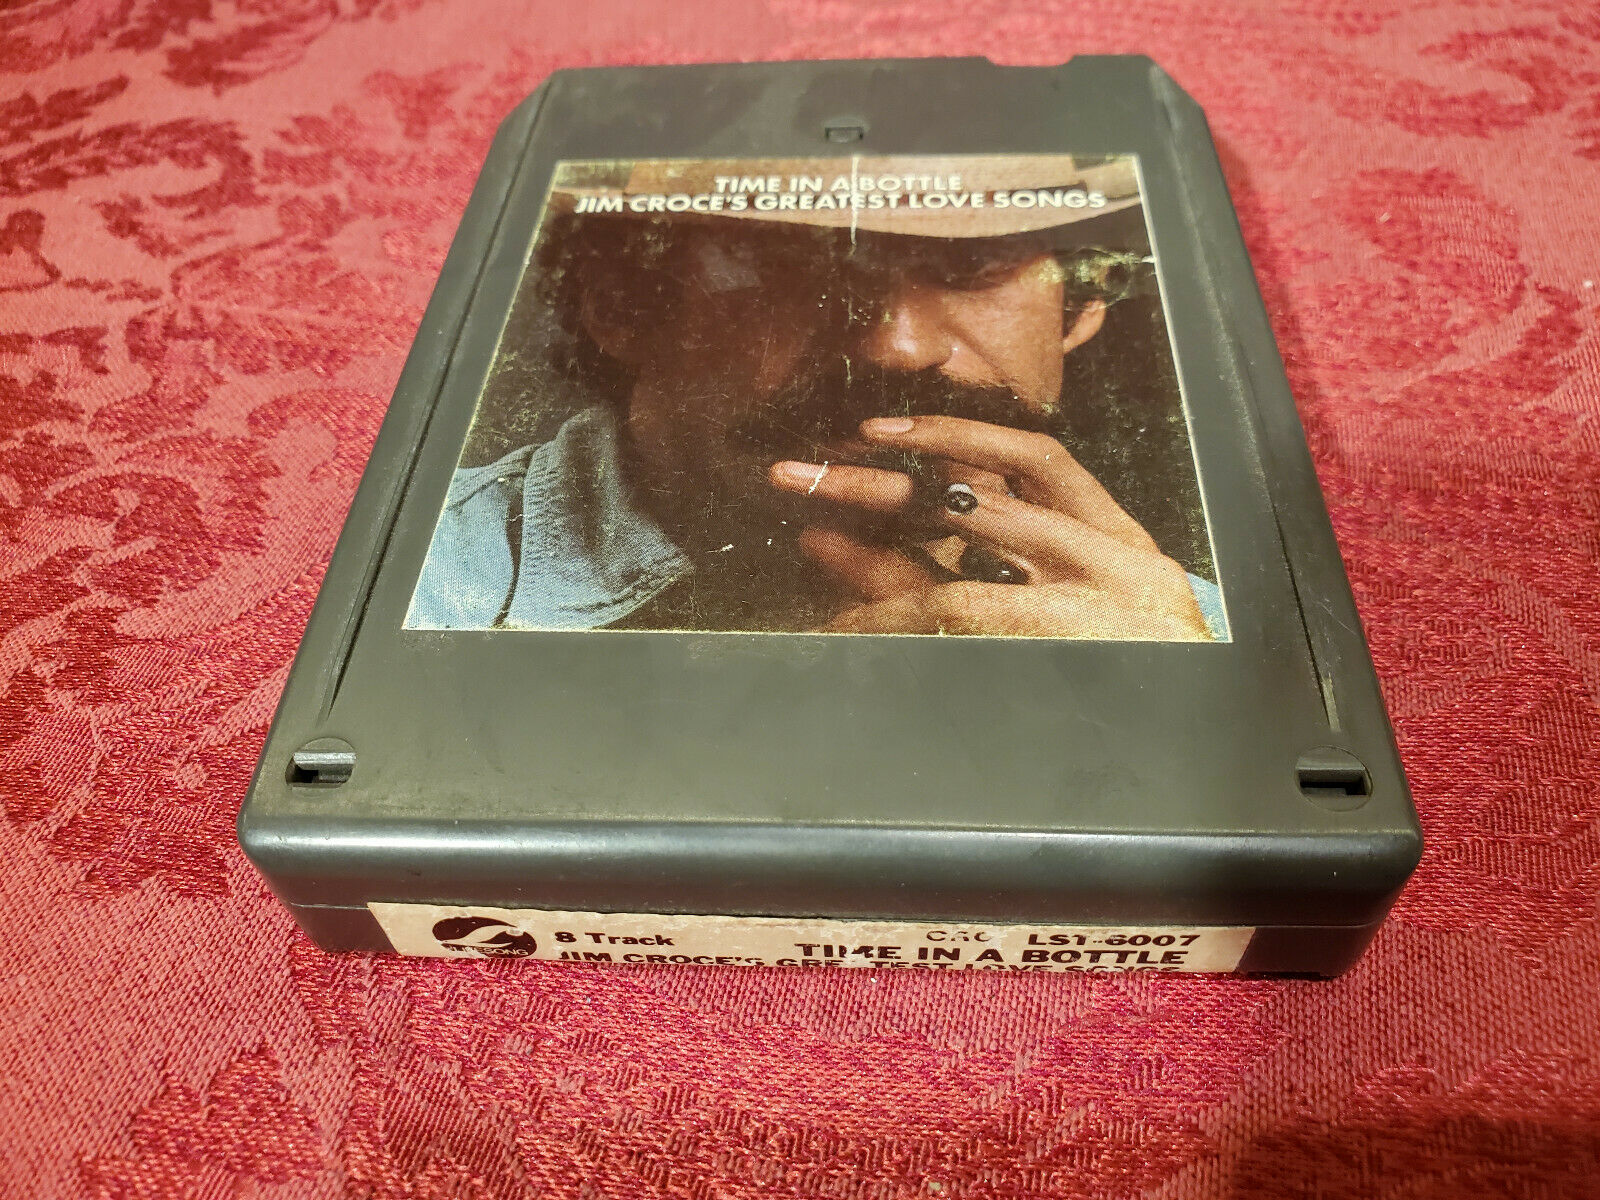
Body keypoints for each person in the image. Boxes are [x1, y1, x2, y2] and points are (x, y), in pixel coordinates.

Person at [406, 156, 1226, 639]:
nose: (897, 345)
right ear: (624, 306)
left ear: (1079, 308)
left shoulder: (1192, 637)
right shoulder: (425, 590)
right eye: (800, 265)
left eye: (975, 267)